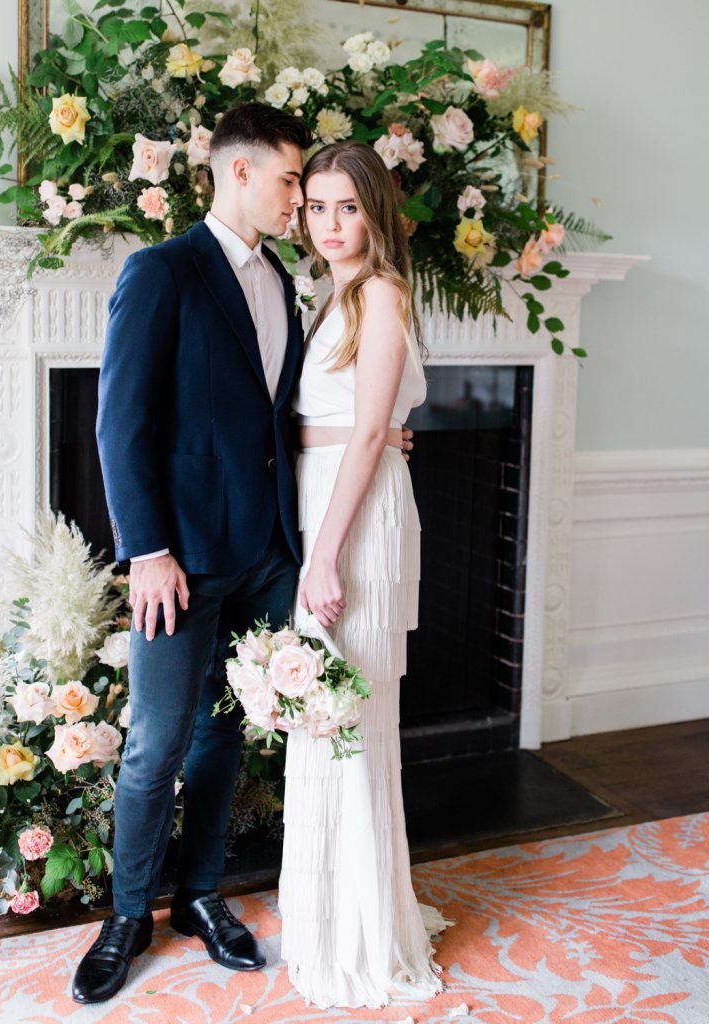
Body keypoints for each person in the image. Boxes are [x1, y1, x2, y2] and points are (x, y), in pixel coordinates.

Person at [73, 103, 314, 1004]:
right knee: (155, 743)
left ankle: (200, 897)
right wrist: (148, 551)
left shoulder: (281, 281)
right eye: (291, 179)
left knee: (227, 736)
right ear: (240, 173)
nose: (300, 198)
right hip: (179, 562)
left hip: (265, 554)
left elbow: (271, 420)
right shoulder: (161, 272)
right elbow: (120, 425)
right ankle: (126, 914)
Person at [278, 140, 449, 1009]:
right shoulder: (330, 293)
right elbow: (351, 426)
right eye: (316, 207)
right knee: (326, 720)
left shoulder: (379, 291)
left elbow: (371, 430)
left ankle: (364, 932)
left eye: (347, 208)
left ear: (374, 212)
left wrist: (322, 555)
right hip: (330, 499)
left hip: (354, 520)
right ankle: (325, 917)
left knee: (349, 718)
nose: (330, 224)